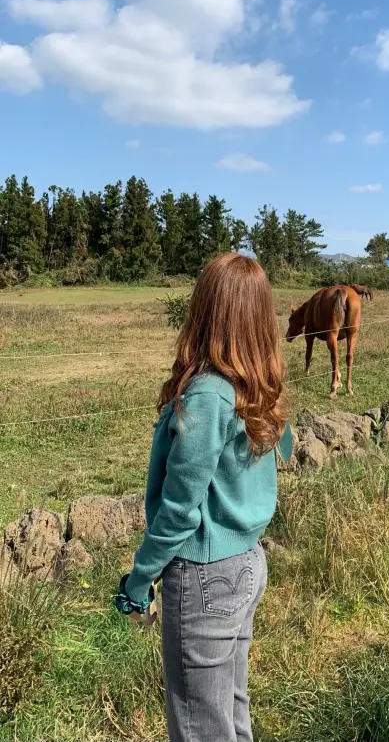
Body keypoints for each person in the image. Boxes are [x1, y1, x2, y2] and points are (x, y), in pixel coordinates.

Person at [114, 252, 292, 742]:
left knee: (198, 726)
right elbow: (288, 444)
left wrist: (139, 579)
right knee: (230, 715)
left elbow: (179, 506)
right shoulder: (256, 385)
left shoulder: (208, 394)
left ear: (205, 310)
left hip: (205, 577)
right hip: (247, 563)